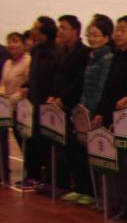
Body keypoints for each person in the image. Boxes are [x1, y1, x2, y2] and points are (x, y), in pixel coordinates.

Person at [96, 15, 127, 221]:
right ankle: (121, 204)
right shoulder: (117, 56)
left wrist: (125, 112)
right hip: (112, 117)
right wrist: (101, 113)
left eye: (123, 30)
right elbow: (108, 89)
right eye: (117, 29)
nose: (117, 34)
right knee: (115, 165)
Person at [72, 14, 116, 206]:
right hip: (85, 110)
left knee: (99, 155)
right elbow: (85, 87)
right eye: (89, 34)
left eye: (96, 35)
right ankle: (85, 189)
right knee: (83, 153)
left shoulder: (107, 58)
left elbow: (101, 88)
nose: (92, 38)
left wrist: (94, 112)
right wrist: (81, 110)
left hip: (96, 113)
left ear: (106, 37)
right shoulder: (92, 57)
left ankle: (97, 194)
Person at [46, 15, 91, 197]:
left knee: (78, 149)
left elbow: (79, 81)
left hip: (74, 106)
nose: (60, 31)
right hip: (58, 106)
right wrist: (52, 95)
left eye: (64, 27)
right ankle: (63, 183)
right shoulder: (62, 51)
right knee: (62, 147)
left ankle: (83, 187)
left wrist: (63, 99)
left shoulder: (84, 52)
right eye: (60, 27)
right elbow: (58, 78)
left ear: (75, 31)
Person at [19, 17, 59, 188]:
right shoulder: (35, 50)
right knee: (33, 141)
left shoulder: (56, 52)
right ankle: (34, 175)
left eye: (36, 28)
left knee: (48, 145)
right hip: (33, 104)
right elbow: (33, 75)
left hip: (48, 105)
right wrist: (27, 85)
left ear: (44, 32)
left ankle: (51, 179)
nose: (32, 30)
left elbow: (55, 78)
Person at [0, 31, 31, 183]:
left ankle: (32, 173)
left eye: (15, 41)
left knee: (25, 141)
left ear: (23, 44)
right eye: (9, 41)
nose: (11, 44)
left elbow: (27, 86)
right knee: (7, 140)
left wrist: (12, 99)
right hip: (6, 108)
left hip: (22, 107)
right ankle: (5, 172)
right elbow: (3, 84)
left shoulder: (28, 61)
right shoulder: (7, 63)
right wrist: (2, 95)